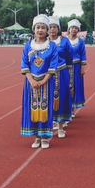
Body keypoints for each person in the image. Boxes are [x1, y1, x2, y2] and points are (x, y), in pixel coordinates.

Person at [21, 15, 60, 149]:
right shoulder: (28, 46)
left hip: (47, 82)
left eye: (43, 27)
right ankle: (36, 136)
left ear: (47, 30)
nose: (40, 30)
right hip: (31, 84)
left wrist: (43, 80)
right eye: (38, 27)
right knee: (33, 108)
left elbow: (53, 65)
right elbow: (24, 64)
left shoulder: (52, 46)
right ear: (34, 29)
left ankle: (45, 137)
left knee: (45, 108)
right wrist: (31, 80)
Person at [48, 16, 73, 137]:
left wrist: (69, 74)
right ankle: (51, 121)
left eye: (54, 27)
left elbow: (69, 57)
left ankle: (61, 127)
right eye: (50, 27)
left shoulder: (64, 41)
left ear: (58, 29)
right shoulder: (44, 42)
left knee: (62, 98)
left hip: (62, 72)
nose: (52, 30)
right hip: (48, 74)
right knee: (49, 98)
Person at [67, 19, 88, 116]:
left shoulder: (80, 42)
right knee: (65, 87)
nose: (74, 30)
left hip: (76, 67)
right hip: (66, 67)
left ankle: (72, 109)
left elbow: (83, 55)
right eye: (72, 28)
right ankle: (66, 108)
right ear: (69, 29)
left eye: (76, 28)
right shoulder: (64, 41)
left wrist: (82, 68)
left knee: (75, 87)